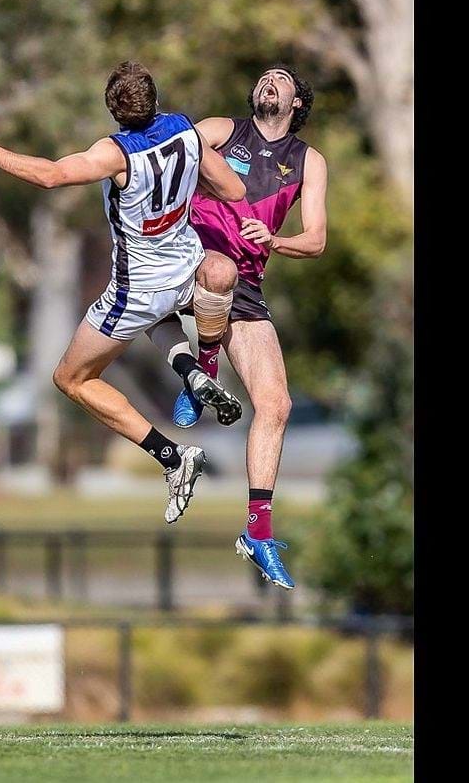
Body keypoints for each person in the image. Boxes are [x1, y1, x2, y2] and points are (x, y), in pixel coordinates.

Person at [0, 61, 245, 524]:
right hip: (186, 266)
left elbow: (49, 175)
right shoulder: (186, 130)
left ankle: (171, 456)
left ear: (113, 109)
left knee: (71, 378)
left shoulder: (116, 153)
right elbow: (233, 187)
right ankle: (192, 371)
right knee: (158, 319)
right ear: (155, 98)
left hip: (138, 289)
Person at [146, 64, 328, 590]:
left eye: (282, 79)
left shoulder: (308, 161)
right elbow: (169, 150)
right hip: (190, 257)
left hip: (248, 284)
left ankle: (258, 533)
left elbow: (315, 240)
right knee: (217, 271)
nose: (269, 82)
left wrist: (275, 242)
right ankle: (201, 370)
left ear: (297, 101)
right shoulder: (223, 131)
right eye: (264, 77)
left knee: (277, 405)